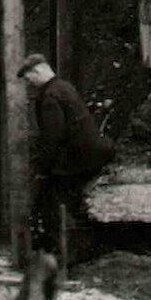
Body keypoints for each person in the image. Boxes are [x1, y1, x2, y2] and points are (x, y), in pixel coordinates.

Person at [19, 52, 116, 260]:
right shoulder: (63, 86)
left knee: (52, 204)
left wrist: (44, 169)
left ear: (37, 72)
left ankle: (63, 256)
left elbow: (53, 136)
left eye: (28, 78)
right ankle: (74, 251)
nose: (29, 83)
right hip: (92, 153)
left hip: (78, 158)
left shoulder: (49, 97)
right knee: (68, 202)